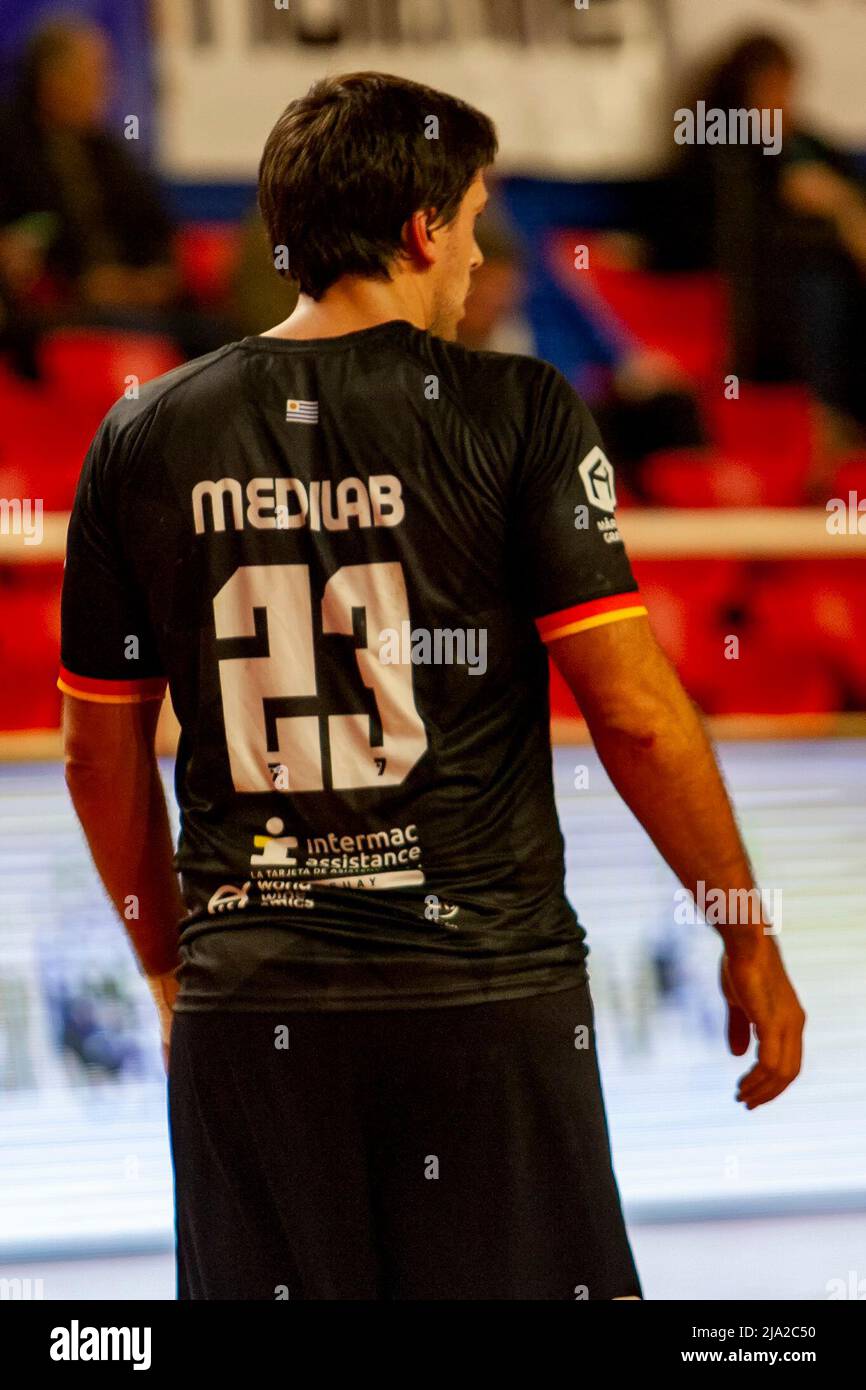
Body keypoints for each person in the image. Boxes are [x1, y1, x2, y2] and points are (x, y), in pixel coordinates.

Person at [59, 71, 805, 1301]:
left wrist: (167, 971)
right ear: (419, 229)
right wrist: (742, 924)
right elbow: (630, 711)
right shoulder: (514, 410)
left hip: (253, 1007)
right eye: (469, 219)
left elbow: (98, 755)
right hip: (483, 994)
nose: (472, 256)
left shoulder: (144, 436)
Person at [0, 18, 227, 363]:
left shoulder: (105, 151)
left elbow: (153, 223)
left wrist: (152, 277)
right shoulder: (12, 148)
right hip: (59, 307)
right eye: (92, 72)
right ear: (51, 79)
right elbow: (26, 239)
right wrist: (81, 281)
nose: (104, 85)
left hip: (127, 297)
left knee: (217, 335)